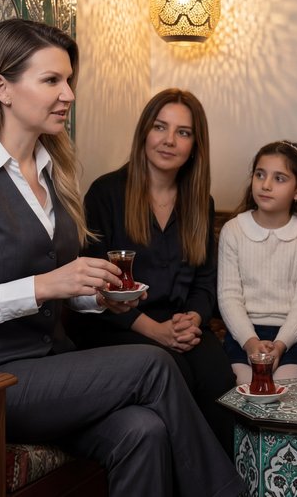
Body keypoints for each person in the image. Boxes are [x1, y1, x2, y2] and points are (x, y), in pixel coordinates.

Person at [0, 19, 243, 497]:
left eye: (68, 80)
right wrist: (45, 285)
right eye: (51, 80)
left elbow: (63, 293)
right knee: (152, 364)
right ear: (2, 87)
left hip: (51, 368)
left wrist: (98, 299)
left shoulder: (53, 174)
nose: (68, 94)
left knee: (143, 433)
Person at [69, 88, 236, 450]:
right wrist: (156, 332)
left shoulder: (199, 201)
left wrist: (192, 318)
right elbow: (93, 288)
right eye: (160, 127)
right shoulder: (106, 193)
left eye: (183, 132)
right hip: (117, 323)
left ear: (195, 144)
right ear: (144, 131)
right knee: (175, 373)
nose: (169, 140)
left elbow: (206, 282)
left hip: (180, 322)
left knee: (218, 378)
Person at [218, 140, 297, 386]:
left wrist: (280, 344)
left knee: (286, 388)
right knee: (246, 388)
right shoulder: (233, 230)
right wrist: (251, 342)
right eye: (260, 175)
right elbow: (229, 296)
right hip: (243, 335)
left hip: (293, 337)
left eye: (279, 178)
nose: (265, 185)